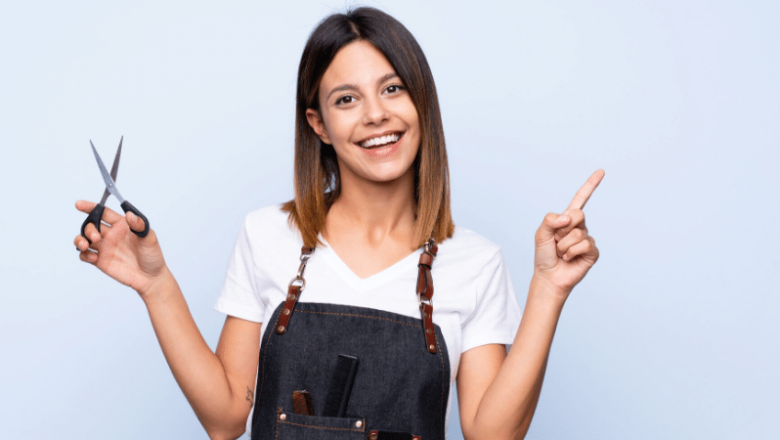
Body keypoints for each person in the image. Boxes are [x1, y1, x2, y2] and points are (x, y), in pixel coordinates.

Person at [73, 7, 603, 440]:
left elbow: (493, 435)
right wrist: (155, 285)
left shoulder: (475, 261)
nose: (375, 114)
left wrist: (549, 290)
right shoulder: (267, 236)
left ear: (422, 101)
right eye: (346, 99)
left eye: (392, 89)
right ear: (319, 125)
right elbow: (226, 417)